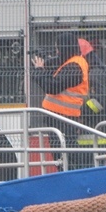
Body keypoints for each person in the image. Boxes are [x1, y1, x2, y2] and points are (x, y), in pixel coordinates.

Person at [32, 32, 90, 169]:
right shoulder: (71, 62)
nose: (57, 51)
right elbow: (55, 72)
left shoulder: (74, 66)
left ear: (65, 47)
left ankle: (71, 179)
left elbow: (52, 86)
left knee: (66, 155)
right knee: (63, 154)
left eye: (58, 47)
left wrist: (39, 71)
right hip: (60, 117)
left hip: (63, 118)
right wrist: (45, 64)